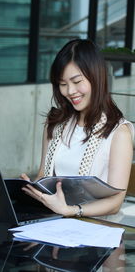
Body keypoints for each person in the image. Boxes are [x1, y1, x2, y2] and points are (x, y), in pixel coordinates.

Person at [21, 38, 134, 219]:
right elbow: (44, 174)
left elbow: (115, 202)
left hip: (97, 227)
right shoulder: (55, 123)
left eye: (76, 81)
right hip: (53, 220)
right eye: (63, 84)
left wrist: (70, 210)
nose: (70, 91)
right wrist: (32, 188)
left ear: (96, 77)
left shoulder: (119, 132)